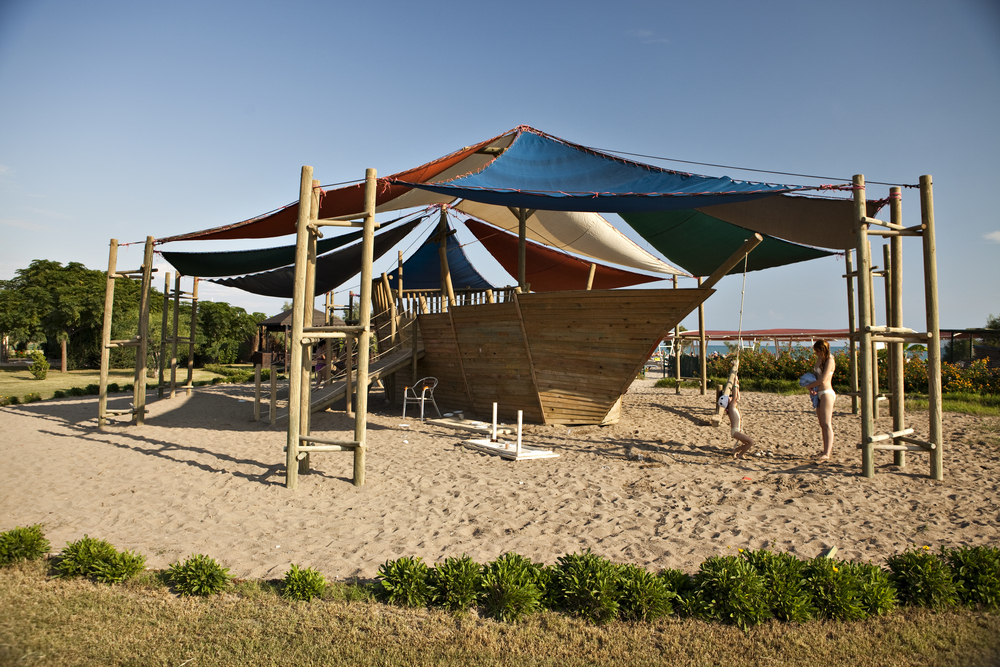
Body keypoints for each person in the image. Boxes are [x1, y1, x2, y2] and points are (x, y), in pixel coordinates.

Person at [804, 339, 836, 461]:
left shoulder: (830, 360)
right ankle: (824, 450)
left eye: (818, 351)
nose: (816, 353)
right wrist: (811, 388)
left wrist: (809, 386)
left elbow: (823, 379)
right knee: (822, 424)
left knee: (827, 423)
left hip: (827, 392)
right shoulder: (819, 359)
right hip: (818, 392)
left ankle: (827, 452)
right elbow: (816, 377)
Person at [719, 378, 754, 459]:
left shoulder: (732, 407)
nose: (730, 398)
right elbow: (734, 396)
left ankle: (735, 450)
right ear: (728, 402)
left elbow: (737, 398)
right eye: (729, 398)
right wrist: (734, 384)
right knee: (751, 442)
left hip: (736, 431)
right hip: (735, 432)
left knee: (747, 443)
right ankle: (740, 454)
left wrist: (737, 386)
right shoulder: (731, 407)